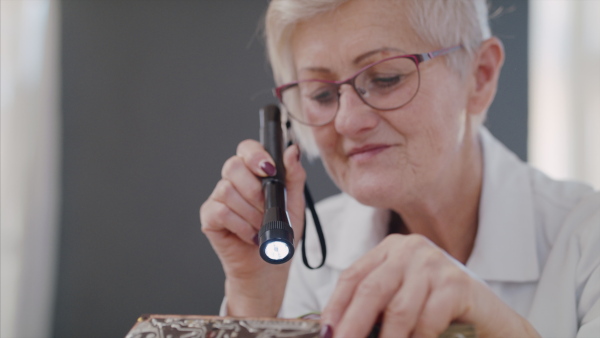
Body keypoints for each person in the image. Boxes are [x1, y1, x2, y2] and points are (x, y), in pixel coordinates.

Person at [199, 0, 600, 337]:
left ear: (480, 77)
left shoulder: (587, 241)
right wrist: (253, 304)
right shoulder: (305, 257)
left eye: (386, 77)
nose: (347, 121)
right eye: (321, 94)